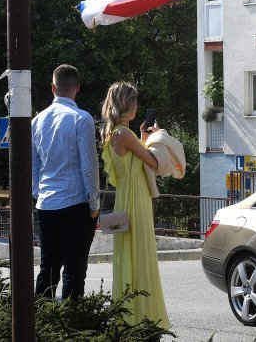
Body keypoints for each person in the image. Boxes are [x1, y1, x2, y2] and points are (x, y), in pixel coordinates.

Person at [100, 81, 170, 329]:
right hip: (135, 198)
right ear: (127, 104)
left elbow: (131, 158)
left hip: (126, 196)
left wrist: (143, 137)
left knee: (130, 256)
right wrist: (157, 139)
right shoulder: (124, 134)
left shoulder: (113, 133)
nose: (137, 106)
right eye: (135, 101)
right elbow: (151, 160)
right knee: (141, 255)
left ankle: (131, 316)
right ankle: (142, 318)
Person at [31, 64, 100, 300]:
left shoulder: (36, 121)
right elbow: (89, 165)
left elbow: (34, 166)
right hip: (76, 203)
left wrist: (38, 195)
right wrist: (94, 203)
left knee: (47, 268)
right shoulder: (82, 119)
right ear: (77, 88)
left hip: (46, 204)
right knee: (74, 269)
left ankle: (40, 321)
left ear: (52, 87)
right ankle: (72, 323)